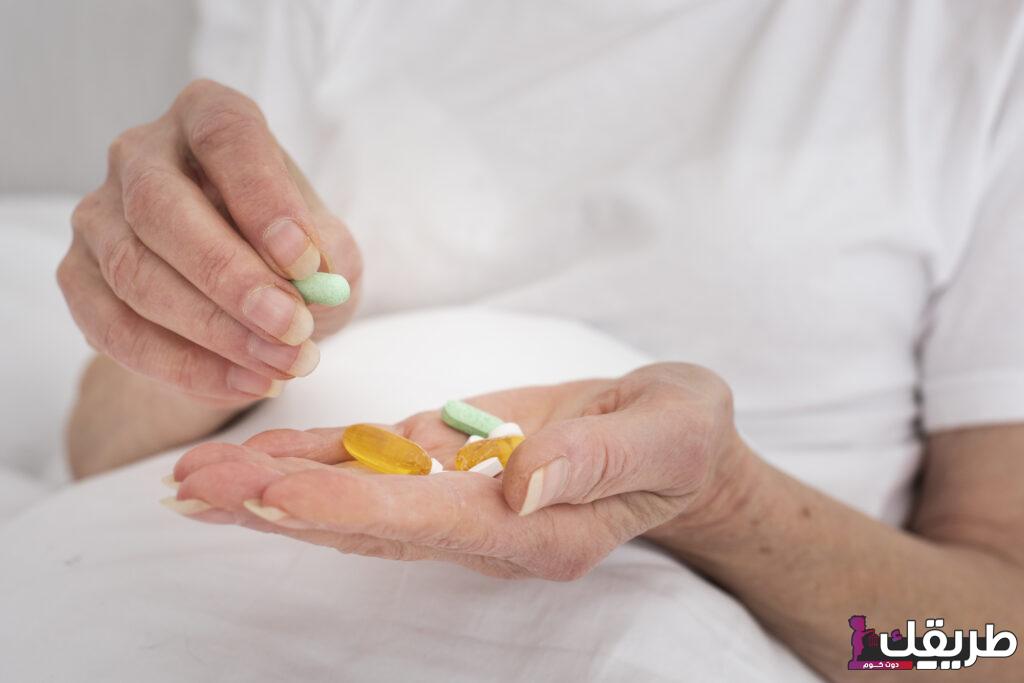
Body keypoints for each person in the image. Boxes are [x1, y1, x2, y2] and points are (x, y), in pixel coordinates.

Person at [56, 2, 1024, 679]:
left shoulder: (975, 42)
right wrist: (227, 309)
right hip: (172, 602)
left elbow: (992, 652)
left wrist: (725, 502)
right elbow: (97, 449)